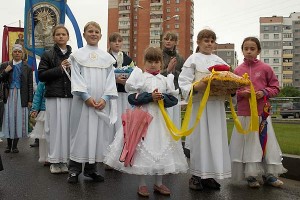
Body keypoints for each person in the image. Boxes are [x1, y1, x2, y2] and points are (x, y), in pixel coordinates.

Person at [104, 47, 188, 197]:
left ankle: (159, 182)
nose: (153, 65)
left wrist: (161, 98)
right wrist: (150, 97)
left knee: (161, 147)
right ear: (145, 63)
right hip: (143, 121)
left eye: (156, 62)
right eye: (150, 61)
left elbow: (173, 99)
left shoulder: (164, 79)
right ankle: (142, 184)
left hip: (161, 121)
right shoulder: (140, 78)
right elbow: (132, 98)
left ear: (161, 63)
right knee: (141, 150)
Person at [229, 37, 287, 188]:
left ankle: (269, 175)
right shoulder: (237, 71)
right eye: (246, 48)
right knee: (248, 145)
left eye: (252, 49)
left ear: (258, 51)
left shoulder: (266, 68)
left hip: (262, 115)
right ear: (242, 50)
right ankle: (251, 176)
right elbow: (233, 92)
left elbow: (276, 88)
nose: (249, 51)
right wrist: (242, 94)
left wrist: (263, 92)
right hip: (244, 115)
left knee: (264, 144)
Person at [178, 29, 231, 191]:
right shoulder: (193, 59)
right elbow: (184, 82)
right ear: (199, 42)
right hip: (200, 106)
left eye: (212, 41)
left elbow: (228, 80)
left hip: (215, 106)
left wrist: (231, 88)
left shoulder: (220, 60)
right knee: (200, 140)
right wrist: (197, 86)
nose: (209, 43)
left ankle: (209, 175)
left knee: (215, 140)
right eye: (206, 40)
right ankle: (195, 176)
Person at [67, 21, 118, 184]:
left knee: (97, 135)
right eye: (90, 31)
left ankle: (91, 170)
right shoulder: (77, 55)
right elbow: (76, 78)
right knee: (80, 134)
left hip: (100, 104)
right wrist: (86, 97)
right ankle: (74, 170)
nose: (94, 34)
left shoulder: (107, 58)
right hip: (83, 104)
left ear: (101, 36)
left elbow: (111, 81)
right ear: (84, 34)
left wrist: (105, 98)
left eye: (97, 31)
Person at [38, 25, 72, 174]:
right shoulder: (48, 54)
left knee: (67, 130)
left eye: (63, 34)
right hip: (54, 96)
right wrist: (59, 68)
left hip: (70, 97)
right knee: (54, 129)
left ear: (68, 36)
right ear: (53, 37)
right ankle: (54, 161)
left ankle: (65, 160)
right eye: (57, 34)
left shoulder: (74, 55)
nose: (60, 36)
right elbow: (41, 75)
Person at [0, 44, 33, 153]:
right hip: (8, 95)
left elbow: (30, 85)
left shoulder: (27, 67)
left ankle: (15, 146)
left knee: (19, 118)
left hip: (21, 95)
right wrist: (6, 71)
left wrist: (30, 100)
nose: (17, 53)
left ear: (22, 54)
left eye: (19, 51)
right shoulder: (5, 65)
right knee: (9, 118)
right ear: (12, 53)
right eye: (15, 51)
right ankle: (8, 145)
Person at [108, 32, 134, 151]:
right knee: (112, 121)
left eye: (119, 41)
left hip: (124, 94)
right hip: (112, 95)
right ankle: (110, 151)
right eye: (114, 41)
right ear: (110, 43)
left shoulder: (128, 58)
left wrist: (127, 80)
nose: (117, 43)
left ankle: (122, 151)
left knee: (124, 121)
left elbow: (133, 73)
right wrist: (114, 79)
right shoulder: (106, 57)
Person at [161, 31, 185, 129]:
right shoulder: (158, 55)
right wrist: (167, 70)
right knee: (164, 122)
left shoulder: (180, 58)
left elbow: (184, 77)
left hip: (175, 93)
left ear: (175, 42)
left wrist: (174, 72)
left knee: (175, 122)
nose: (168, 42)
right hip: (162, 92)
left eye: (171, 40)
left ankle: (175, 144)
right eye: (166, 39)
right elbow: (154, 74)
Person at [29, 82, 48, 165]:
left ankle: (59, 158)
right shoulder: (43, 80)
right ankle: (46, 158)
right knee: (44, 138)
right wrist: (34, 109)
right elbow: (38, 94)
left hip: (58, 111)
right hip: (44, 111)